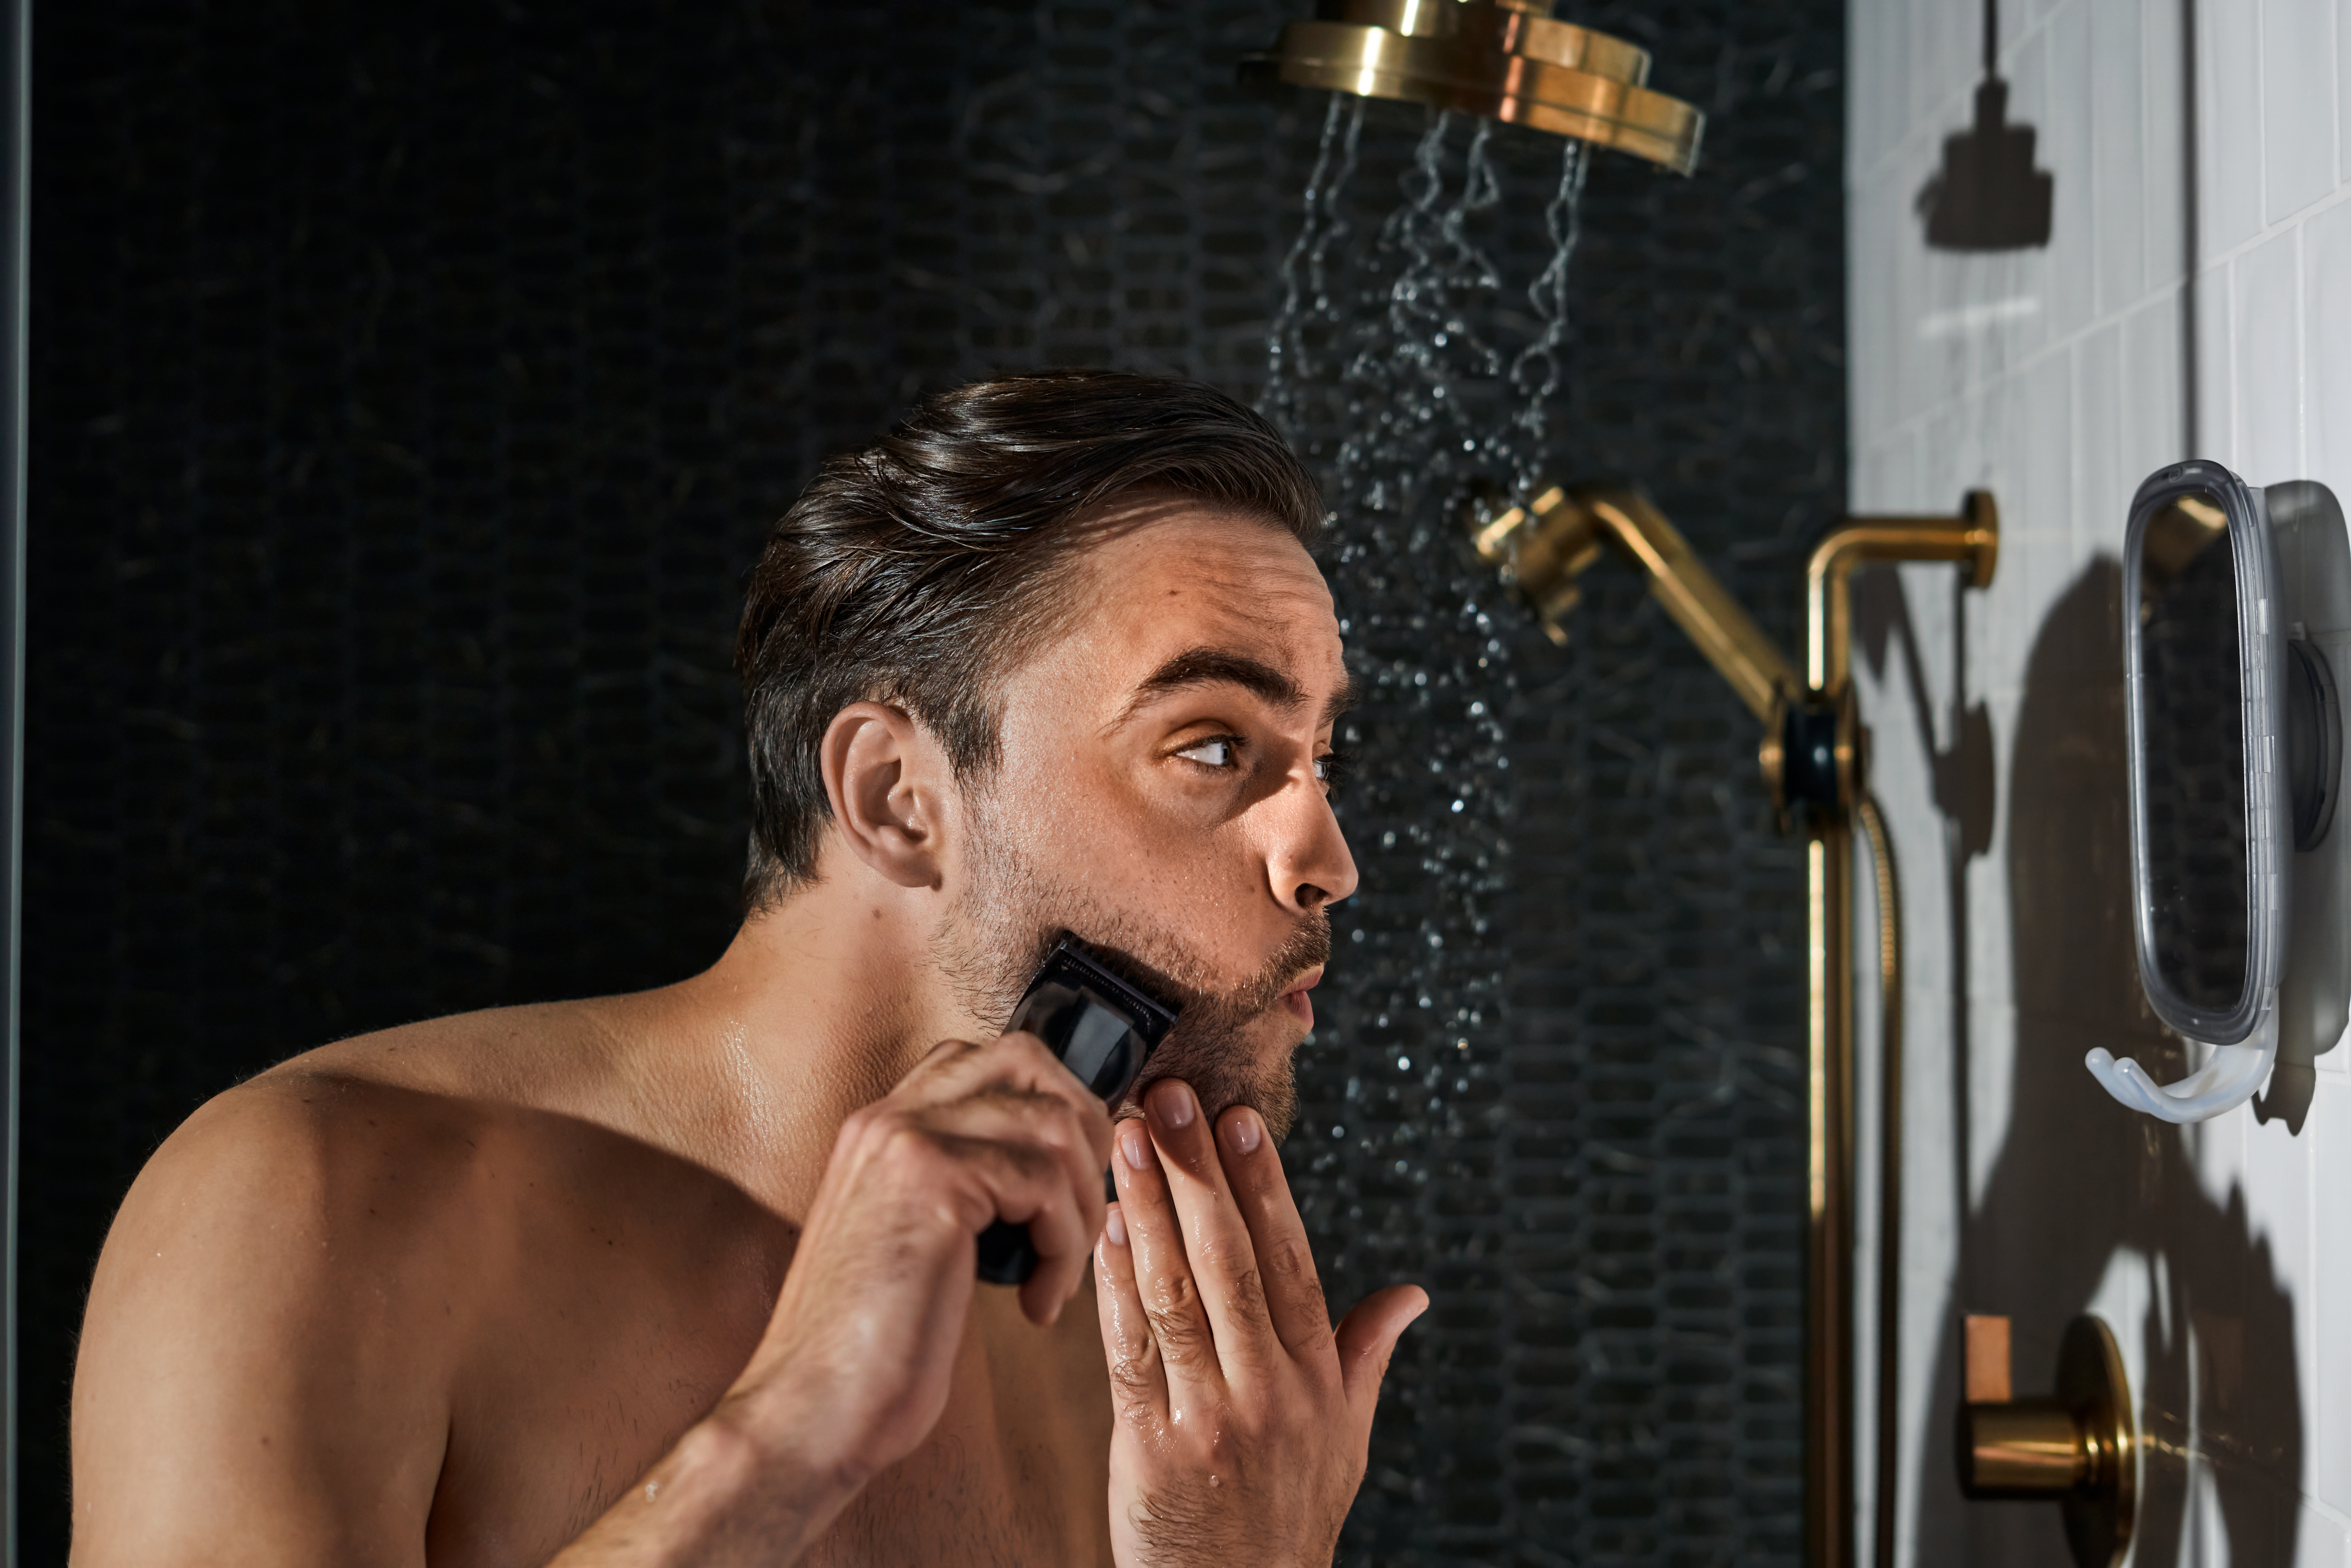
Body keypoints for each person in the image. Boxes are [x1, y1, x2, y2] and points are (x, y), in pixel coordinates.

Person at [69, 370, 1429, 1567]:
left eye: (1322, 760)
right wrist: (781, 1439)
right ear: (899, 797)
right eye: (1212, 746)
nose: (1327, 857)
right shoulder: (317, 1200)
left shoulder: (1140, 1341)